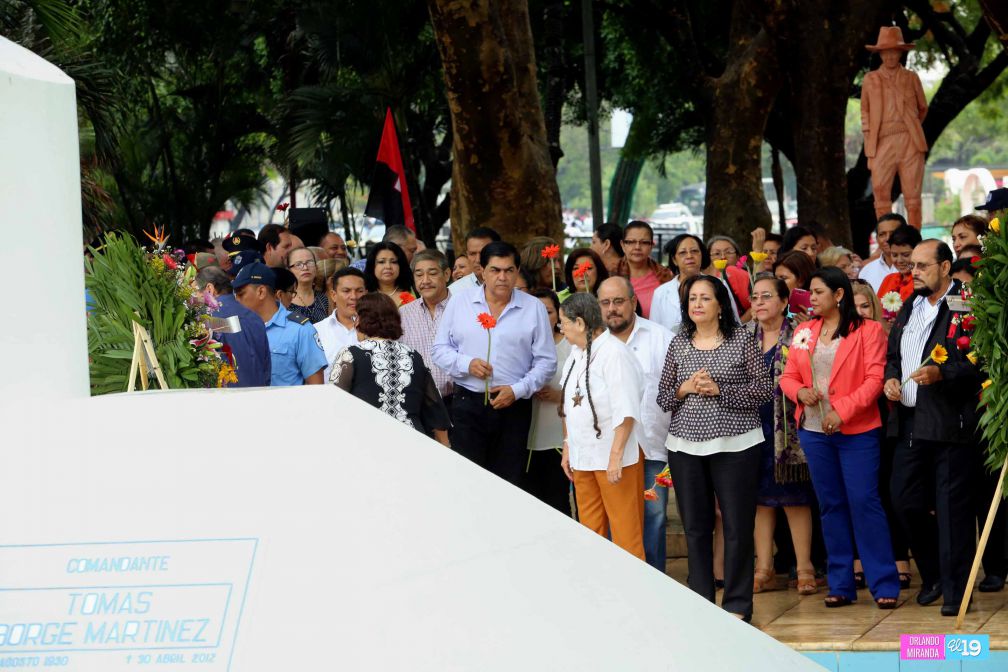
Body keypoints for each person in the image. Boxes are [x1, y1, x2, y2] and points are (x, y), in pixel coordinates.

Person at [780, 267, 900, 609]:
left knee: (864, 502)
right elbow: (789, 376)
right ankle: (841, 584)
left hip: (857, 431)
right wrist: (800, 391)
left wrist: (842, 411)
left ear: (838, 295)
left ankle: (883, 583)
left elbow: (874, 379)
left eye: (818, 292)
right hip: (814, 432)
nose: (811, 298)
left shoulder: (868, 330)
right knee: (831, 505)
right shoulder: (804, 330)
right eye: (810, 292)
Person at [657, 274, 772, 621]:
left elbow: (763, 389)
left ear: (720, 305)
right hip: (685, 447)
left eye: (705, 298)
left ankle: (737, 604)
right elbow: (664, 398)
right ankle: (702, 603)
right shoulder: (679, 342)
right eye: (692, 298)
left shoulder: (742, 339)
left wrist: (721, 390)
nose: (697, 304)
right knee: (695, 527)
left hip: (737, 446)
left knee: (737, 526)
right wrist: (686, 387)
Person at [883, 240, 982, 615]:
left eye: (922, 266)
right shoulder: (910, 305)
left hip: (950, 421)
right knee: (903, 500)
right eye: (912, 266)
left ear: (944, 267)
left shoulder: (966, 304)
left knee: (952, 510)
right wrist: (892, 378)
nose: (915, 273)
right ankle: (936, 574)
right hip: (909, 421)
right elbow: (894, 355)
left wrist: (943, 373)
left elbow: (979, 362)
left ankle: (957, 593)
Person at [432, 241, 557, 485]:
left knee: (510, 481)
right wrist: (467, 364)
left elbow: (546, 362)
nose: (502, 277)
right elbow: (439, 350)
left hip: (513, 405)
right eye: (495, 270)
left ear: (517, 271)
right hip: (468, 401)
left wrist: (517, 390)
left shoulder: (533, 308)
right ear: (482, 271)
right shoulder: (460, 302)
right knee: (468, 478)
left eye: (509, 270)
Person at [559, 293, 645, 559]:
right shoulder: (576, 353)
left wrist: (615, 457)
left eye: (563, 323)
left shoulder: (615, 353)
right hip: (583, 458)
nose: (560, 329)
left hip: (613, 459)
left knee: (625, 535)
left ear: (580, 323)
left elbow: (627, 411)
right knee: (590, 534)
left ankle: (631, 584)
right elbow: (569, 405)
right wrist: (567, 446)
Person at [598, 277, 673, 572]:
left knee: (654, 516)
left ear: (632, 302)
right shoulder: (593, 344)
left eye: (618, 301)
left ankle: (654, 581)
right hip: (607, 451)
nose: (612, 309)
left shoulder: (660, 338)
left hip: (653, 445)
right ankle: (619, 580)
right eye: (605, 303)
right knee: (613, 516)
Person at [748, 275, 817, 595]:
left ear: (784, 301)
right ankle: (764, 568)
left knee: (794, 499)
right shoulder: (744, 336)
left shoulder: (800, 334)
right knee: (759, 501)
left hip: (789, 430)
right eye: (755, 297)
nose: (759, 302)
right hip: (750, 428)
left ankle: (804, 568)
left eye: (766, 296)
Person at [332, 292, 451, 446]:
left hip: (366, 442)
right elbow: (435, 409)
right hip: (412, 443)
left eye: (356, 318)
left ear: (361, 320)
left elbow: (334, 403)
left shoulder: (349, 354)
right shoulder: (414, 356)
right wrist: (445, 447)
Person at [861, 26, 928, 228]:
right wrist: (870, 142)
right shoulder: (871, 79)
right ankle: (887, 236)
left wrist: (910, 126)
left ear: (900, 53)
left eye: (894, 52)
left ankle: (914, 236)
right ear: (880, 54)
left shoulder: (911, 77)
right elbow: (865, 112)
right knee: (880, 191)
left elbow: (922, 107)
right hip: (882, 141)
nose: (890, 56)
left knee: (913, 195)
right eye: (886, 52)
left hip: (909, 140)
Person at [233, 262, 328, 386]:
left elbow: (316, 386)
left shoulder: (300, 330)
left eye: (241, 294)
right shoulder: (236, 326)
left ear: (261, 292)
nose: (236, 300)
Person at [525, 288, 572, 514]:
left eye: (549, 312)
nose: (543, 318)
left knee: (558, 499)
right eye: (537, 312)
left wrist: (559, 396)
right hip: (526, 437)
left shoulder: (570, 345)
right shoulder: (521, 345)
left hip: (558, 436)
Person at [195, 266, 271, 387]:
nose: (194, 299)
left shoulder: (208, 321)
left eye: (196, 292)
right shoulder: (255, 319)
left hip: (226, 396)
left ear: (209, 289)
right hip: (259, 394)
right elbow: (266, 370)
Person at [651, 233, 739, 334]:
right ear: (674, 260)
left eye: (694, 251)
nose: (689, 256)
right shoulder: (660, 292)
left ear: (702, 255)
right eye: (683, 253)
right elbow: (654, 332)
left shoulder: (719, 283)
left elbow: (733, 321)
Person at [399, 249, 454, 406]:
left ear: (447, 274)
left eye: (432, 273)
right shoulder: (403, 314)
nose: (425, 280)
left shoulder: (463, 309)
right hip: (418, 402)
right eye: (419, 275)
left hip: (457, 400)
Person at [315, 267, 367, 381]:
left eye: (359, 291)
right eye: (346, 291)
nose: (354, 297)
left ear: (366, 293)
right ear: (333, 295)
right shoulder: (317, 331)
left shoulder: (380, 330)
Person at [615, 221, 673, 318]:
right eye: (631, 242)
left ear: (651, 246)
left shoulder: (665, 277)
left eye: (644, 242)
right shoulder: (611, 274)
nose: (637, 247)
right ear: (622, 245)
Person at [858, 214, 905, 292]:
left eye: (893, 233)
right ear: (877, 238)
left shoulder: (915, 268)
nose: (887, 238)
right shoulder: (866, 272)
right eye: (882, 234)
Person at [876, 224, 922, 303]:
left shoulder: (923, 281)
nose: (899, 260)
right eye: (894, 255)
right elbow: (877, 308)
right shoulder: (888, 280)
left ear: (919, 251)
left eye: (906, 255)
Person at [449, 226, 501, 295]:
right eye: (472, 254)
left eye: (484, 253)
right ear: (467, 255)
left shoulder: (512, 286)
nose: (478, 260)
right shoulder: (454, 291)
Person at [364, 241, 415, 307]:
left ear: (401, 266)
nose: (388, 266)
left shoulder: (414, 291)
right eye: (381, 262)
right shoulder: (363, 294)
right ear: (372, 266)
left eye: (393, 262)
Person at [286, 247, 329, 323]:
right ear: (289, 270)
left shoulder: (324, 299)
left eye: (310, 262)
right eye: (298, 264)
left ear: (316, 267)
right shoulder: (284, 301)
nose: (305, 268)